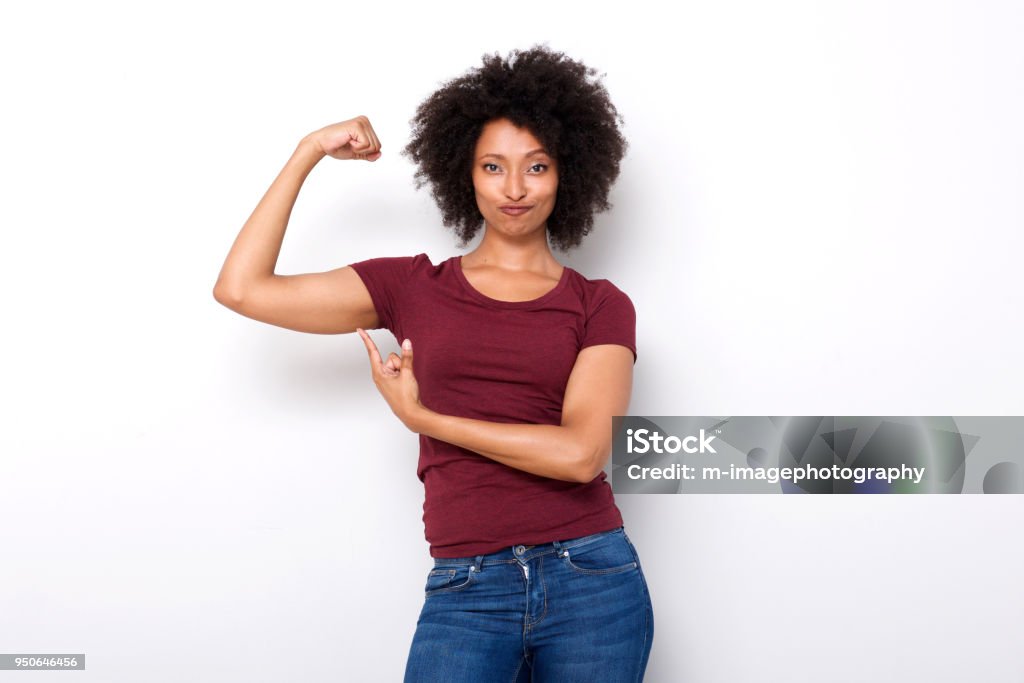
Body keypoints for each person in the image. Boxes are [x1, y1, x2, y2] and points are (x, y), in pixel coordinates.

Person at [213, 45, 653, 682]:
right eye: (493, 166)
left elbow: (581, 455)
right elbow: (241, 289)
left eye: (536, 166)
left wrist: (426, 418)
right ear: (464, 173)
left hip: (592, 577)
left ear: (568, 172)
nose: (514, 188)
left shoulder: (600, 305)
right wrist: (308, 150)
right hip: (468, 586)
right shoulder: (411, 287)